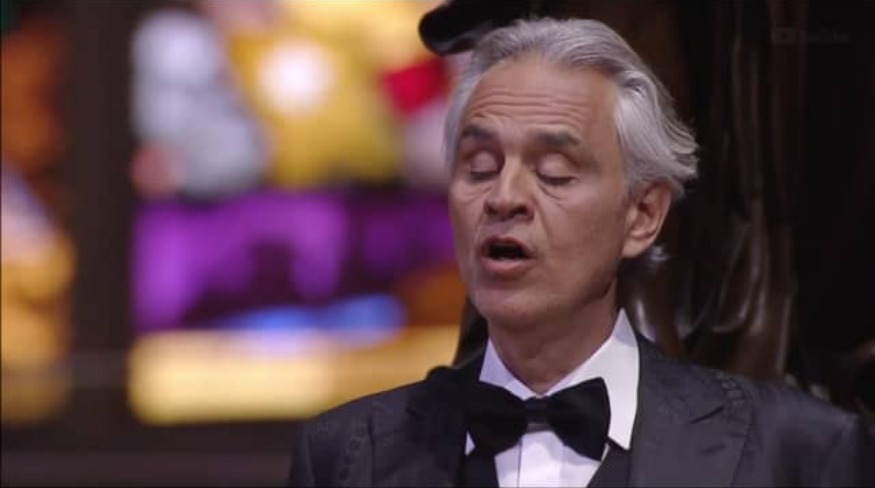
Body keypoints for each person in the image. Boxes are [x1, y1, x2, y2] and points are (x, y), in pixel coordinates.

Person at [288, 18, 874, 487]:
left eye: (554, 172)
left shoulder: (799, 451)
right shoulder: (346, 456)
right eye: (480, 167)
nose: (504, 198)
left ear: (643, 214)